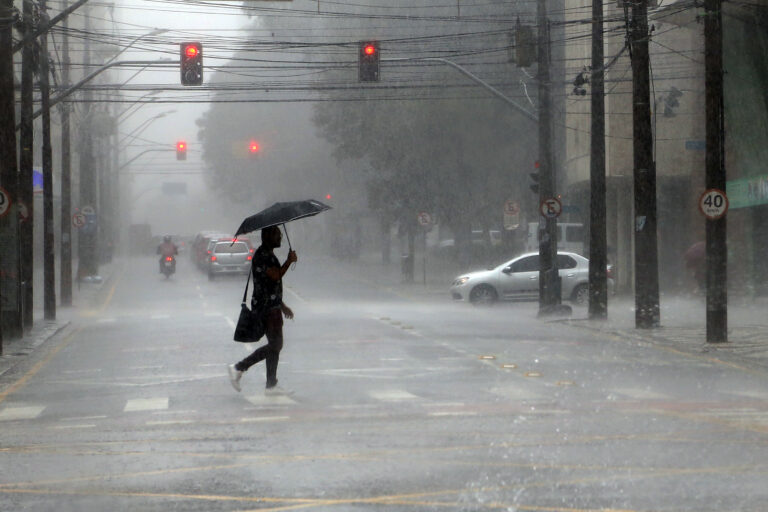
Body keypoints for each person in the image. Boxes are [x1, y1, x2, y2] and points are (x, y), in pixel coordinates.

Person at [228, 225, 297, 394]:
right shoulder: (262, 256)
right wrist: (289, 261)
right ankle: (239, 367)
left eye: (280, 235)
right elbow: (275, 275)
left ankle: (271, 385)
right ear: (267, 236)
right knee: (276, 344)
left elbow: (271, 285)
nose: (280, 238)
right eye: (277, 235)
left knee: (275, 345)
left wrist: (282, 306)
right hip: (266, 308)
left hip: (272, 306)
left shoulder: (267, 254)